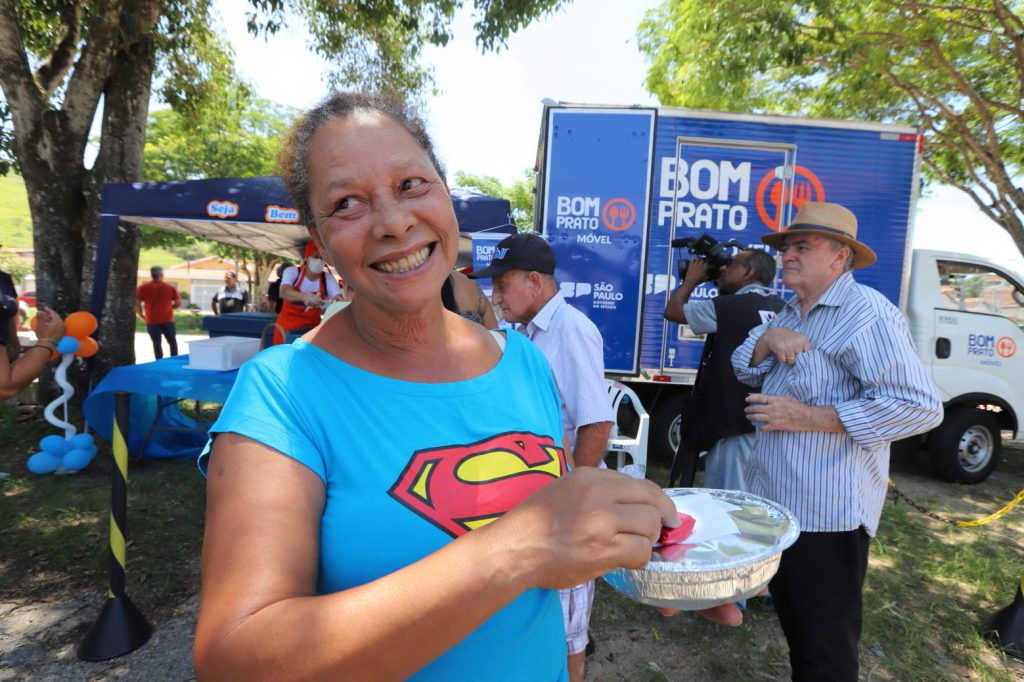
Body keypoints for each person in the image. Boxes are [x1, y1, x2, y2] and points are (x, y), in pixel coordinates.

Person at [192, 91, 679, 681]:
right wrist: (515, 551)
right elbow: (234, 661)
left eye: (412, 185)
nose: (394, 222)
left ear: (446, 197)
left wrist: (652, 558)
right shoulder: (281, 393)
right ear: (319, 246)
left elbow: (545, 553)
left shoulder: (522, 361)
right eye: (347, 202)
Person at [731, 202, 943, 680]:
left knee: (823, 654)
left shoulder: (866, 313)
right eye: (786, 246)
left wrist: (807, 415)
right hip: (781, 507)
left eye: (802, 246)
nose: (787, 255)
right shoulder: (791, 310)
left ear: (840, 257)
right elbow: (742, 366)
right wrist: (772, 336)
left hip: (826, 518)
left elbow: (919, 406)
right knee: (800, 635)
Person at [471, 233, 614, 682]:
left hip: (564, 507)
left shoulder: (570, 330)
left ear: (534, 282)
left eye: (501, 284)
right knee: (542, 616)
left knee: (569, 630)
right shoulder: (523, 333)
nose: (495, 294)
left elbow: (596, 424)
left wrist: (568, 499)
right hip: (538, 500)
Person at [663, 249, 785, 492]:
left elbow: (673, 311)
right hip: (772, 424)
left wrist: (691, 281)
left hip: (734, 425)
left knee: (730, 505)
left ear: (748, 272)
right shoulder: (784, 308)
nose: (722, 268)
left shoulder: (727, 306)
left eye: (732, 264)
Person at [0, 268, 65, 400]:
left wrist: (14, 346)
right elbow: (3, 388)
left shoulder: (3, 278)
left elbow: (10, 315)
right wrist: (48, 340)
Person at [270, 240, 342, 344]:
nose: (319, 261)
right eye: (315, 257)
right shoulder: (293, 272)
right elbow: (284, 292)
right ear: (306, 258)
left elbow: (339, 299)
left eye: (322, 258)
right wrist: (304, 297)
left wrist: (331, 304)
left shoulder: (328, 279)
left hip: (311, 331)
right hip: (287, 329)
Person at [135, 265, 180, 360]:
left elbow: (137, 304)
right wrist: (170, 308)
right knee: (172, 342)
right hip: (168, 319)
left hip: (151, 320)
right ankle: (174, 361)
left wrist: (141, 315)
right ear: (161, 274)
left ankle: (159, 362)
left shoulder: (143, 287)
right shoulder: (170, 288)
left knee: (156, 343)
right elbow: (177, 303)